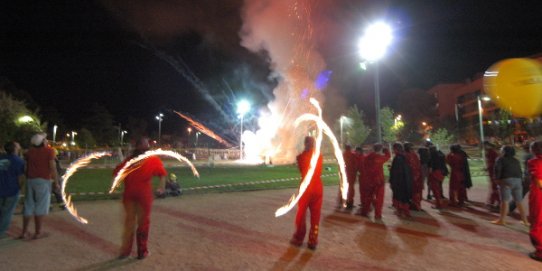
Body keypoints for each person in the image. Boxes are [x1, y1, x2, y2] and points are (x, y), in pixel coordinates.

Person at [114, 137, 167, 259]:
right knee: (141, 223)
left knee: (130, 223)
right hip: (142, 195)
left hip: (131, 194)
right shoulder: (151, 159)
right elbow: (162, 175)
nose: (147, 146)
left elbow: (117, 173)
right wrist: (161, 188)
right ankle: (141, 252)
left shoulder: (130, 160)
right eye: (146, 144)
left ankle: (126, 251)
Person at [20, 133, 58, 240]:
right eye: (45, 139)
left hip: (30, 180)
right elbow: (52, 167)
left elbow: (25, 166)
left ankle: (24, 232)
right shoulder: (49, 151)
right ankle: (38, 232)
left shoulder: (29, 152)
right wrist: (56, 182)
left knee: (28, 205)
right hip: (43, 181)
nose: (47, 141)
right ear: (42, 142)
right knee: (40, 206)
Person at [290, 136, 323, 250]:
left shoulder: (300, 157)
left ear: (305, 144)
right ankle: (313, 240)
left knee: (301, 215)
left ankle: (299, 238)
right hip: (317, 187)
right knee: (315, 216)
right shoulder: (319, 156)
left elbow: (301, 168)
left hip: (306, 189)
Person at [491, 145, 529, 226]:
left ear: (504, 152)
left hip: (506, 180)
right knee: (519, 202)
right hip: (518, 181)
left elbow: (497, 170)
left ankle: (502, 220)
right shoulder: (516, 160)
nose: (500, 151)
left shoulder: (500, 159)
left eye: (501, 150)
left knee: (504, 201)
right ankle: (525, 221)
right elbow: (520, 171)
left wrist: (496, 180)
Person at [0, 141, 25, 238]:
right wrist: (20, 188)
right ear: (14, 148)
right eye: (18, 145)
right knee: (7, 213)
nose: (19, 147)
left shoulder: (1, 158)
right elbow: (20, 178)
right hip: (11, 190)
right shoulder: (19, 161)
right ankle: (1, 232)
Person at [359, 144, 390, 219]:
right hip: (379, 181)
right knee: (379, 198)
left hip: (369, 180)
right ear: (380, 150)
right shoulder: (379, 158)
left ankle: (364, 211)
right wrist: (386, 151)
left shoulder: (367, 157)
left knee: (368, 197)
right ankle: (377, 214)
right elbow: (388, 156)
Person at [527, 141, 542, 262]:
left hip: (538, 195)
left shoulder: (534, 162)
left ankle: (540, 251)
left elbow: (538, 180)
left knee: (536, 222)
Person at [389, 143, 413, 218]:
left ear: (396, 149)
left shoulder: (398, 158)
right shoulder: (406, 156)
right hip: (407, 180)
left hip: (399, 181)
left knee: (399, 196)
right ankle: (406, 212)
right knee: (405, 197)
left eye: (393, 149)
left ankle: (400, 212)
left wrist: (393, 182)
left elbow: (397, 172)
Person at [510, 141, 533, 213]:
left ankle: (510, 208)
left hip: (528, 178)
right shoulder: (531, 155)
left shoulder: (527, 155)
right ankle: (510, 208)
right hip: (532, 178)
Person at [404, 143, 423, 211]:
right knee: (417, 191)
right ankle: (417, 205)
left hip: (410, 176)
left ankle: (414, 205)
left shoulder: (405, 155)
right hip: (417, 175)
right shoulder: (414, 154)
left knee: (412, 191)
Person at [485, 141, 500, 211]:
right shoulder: (490, 152)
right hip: (492, 172)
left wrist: (488, 168)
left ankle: (493, 203)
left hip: (494, 173)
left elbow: (493, 163)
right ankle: (496, 202)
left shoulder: (492, 152)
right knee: (494, 187)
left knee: (495, 188)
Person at [342, 145, 358, 209]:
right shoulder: (352, 155)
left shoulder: (343, 155)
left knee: (344, 187)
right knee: (351, 189)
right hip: (351, 174)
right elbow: (355, 164)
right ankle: (350, 202)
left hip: (344, 173)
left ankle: (343, 200)